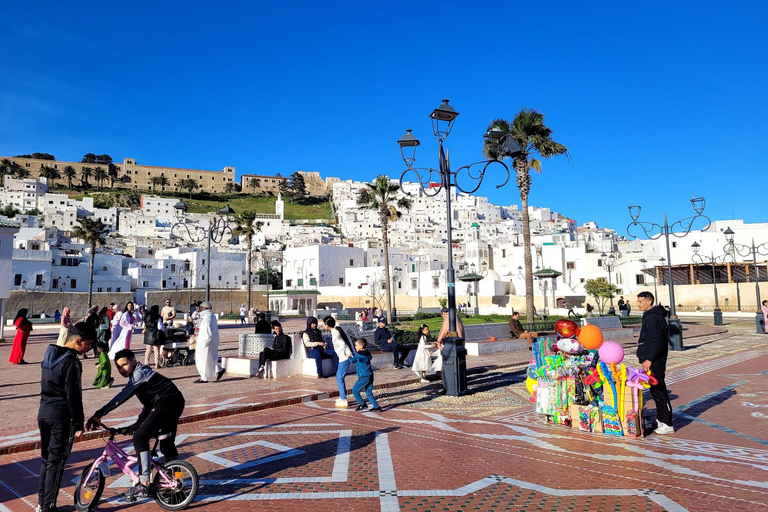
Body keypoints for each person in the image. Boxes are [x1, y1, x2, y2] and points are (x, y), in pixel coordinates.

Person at [86, 348, 185, 502]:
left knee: (140, 438)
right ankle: (177, 481)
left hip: (167, 403)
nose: (121, 369)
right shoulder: (140, 376)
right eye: (118, 367)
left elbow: (121, 397)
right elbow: (149, 402)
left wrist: (98, 414)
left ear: (133, 361)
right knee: (166, 444)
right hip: (174, 401)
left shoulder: (139, 374)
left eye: (124, 365)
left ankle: (144, 482)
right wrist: (139, 421)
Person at [37, 322, 95, 512]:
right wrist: (79, 424)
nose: (88, 348)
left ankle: (42, 503)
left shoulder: (49, 355)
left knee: (47, 460)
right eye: (87, 344)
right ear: (78, 341)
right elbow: (74, 395)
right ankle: (49, 507)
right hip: (61, 416)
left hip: (44, 413)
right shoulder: (71, 362)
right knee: (57, 462)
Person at [636, 291, 674, 435]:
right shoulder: (651, 316)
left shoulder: (652, 318)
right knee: (655, 391)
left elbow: (658, 342)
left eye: (641, 302)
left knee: (659, 391)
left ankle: (667, 423)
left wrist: (649, 359)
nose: (638, 304)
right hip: (652, 361)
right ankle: (661, 419)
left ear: (649, 302)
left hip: (655, 362)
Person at [323, 316, 354, 408]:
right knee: (340, 377)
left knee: (339, 377)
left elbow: (343, 344)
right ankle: (342, 397)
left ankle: (344, 400)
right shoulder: (336, 330)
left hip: (344, 357)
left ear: (327, 325)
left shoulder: (335, 333)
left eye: (324, 323)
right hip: (344, 357)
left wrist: (348, 354)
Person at [195, 301, 225, 383]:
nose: (199, 310)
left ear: (205, 308)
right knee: (209, 358)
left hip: (206, 341)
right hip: (211, 340)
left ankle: (204, 377)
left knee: (203, 359)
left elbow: (207, 330)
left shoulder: (207, 316)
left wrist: (205, 342)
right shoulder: (211, 316)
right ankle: (218, 370)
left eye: (201, 308)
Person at [350, 338, 381, 412]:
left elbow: (352, 361)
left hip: (363, 376)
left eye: (356, 345)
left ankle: (362, 403)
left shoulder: (358, 355)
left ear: (360, 346)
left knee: (355, 390)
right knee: (368, 392)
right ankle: (376, 407)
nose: (355, 347)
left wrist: (348, 356)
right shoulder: (367, 353)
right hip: (370, 375)